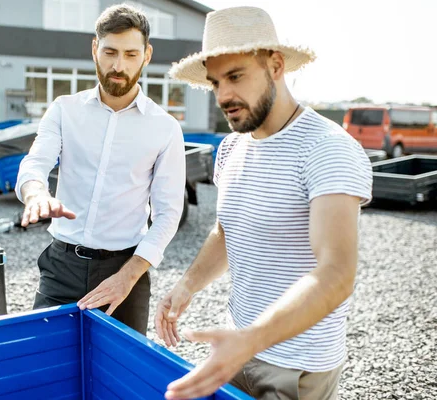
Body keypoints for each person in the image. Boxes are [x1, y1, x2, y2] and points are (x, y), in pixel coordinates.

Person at [155, 6, 373, 400]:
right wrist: (187, 284)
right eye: (215, 81)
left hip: (297, 365)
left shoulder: (329, 149)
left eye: (235, 76)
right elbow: (226, 230)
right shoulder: (231, 147)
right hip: (235, 346)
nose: (223, 95)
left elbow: (337, 274)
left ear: (275, 65)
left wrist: (252, 339)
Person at [15, 4, 186, 336]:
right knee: (46, 368)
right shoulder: (64, 110)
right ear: (95, 49)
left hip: (126, 271)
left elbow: (168, 213)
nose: (118, 65)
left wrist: (129, 275)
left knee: (120, 381)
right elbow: (35, 164)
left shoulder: (165, 128)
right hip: (61, 266)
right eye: (109, 52)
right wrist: (36, 193)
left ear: (147, 55)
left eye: (130, 54)